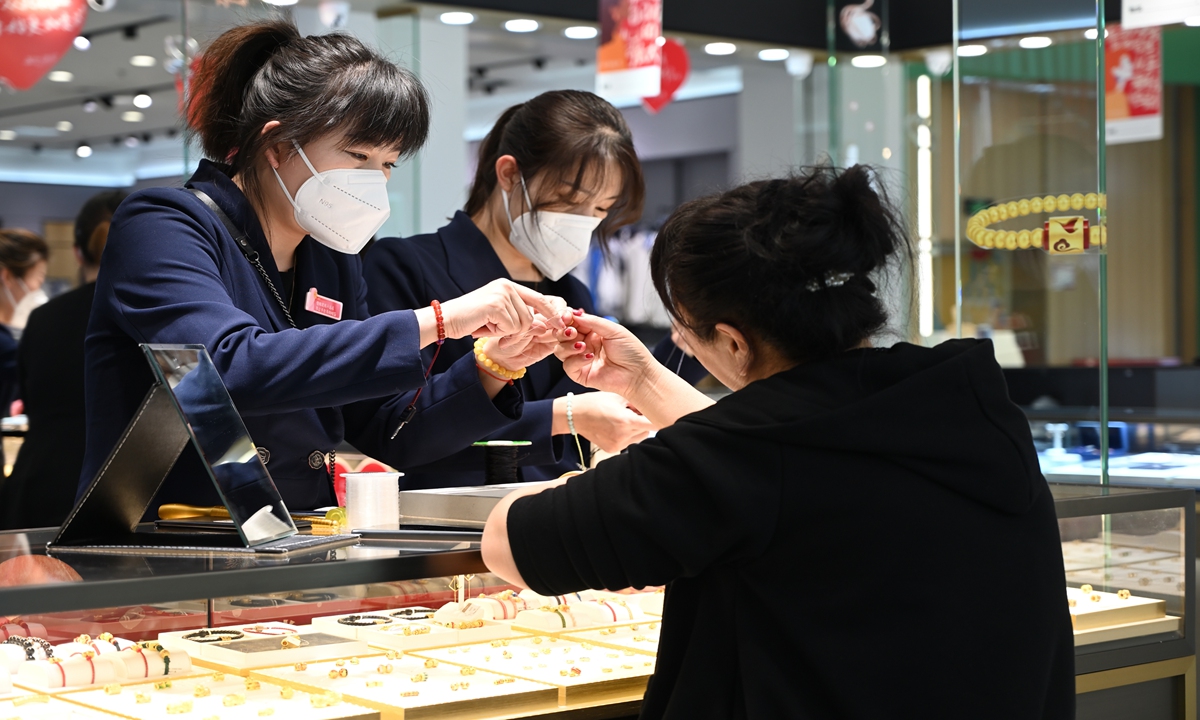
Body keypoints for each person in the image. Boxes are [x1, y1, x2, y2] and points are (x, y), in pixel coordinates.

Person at [481, 167, 1074, 718]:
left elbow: (510, 543)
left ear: (735, 345)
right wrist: (641, 379)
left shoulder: (751, 458)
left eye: (688, 337)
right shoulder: (960, 404)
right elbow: (768, 456)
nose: (685, 349)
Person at [81, 20, 574, 518]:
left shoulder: (332, 258)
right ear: (276, 144)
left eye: (388, 163)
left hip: (290, 545)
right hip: (163, 544)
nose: (374, 180)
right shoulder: (163, 224)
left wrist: (497, 366)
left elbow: (388, 430)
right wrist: (438, 321)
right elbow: (221, 369)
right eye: (358, 155)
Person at [365, 90, 704, 487]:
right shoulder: (403, 268)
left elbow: (605, 407)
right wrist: (563, 416)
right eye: (567, 200)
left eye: (599, 209)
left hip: (557, 512)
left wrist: (686, 343)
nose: (583, 221)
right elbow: (394, 429)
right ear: (509, 174)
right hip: (441, 522)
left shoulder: (572, 295)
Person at [0, 192, 125, 530]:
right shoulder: (149, 317)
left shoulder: (43, 319)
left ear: (76, 252)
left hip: (38, 489)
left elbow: (31, 397)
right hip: (115, 495)